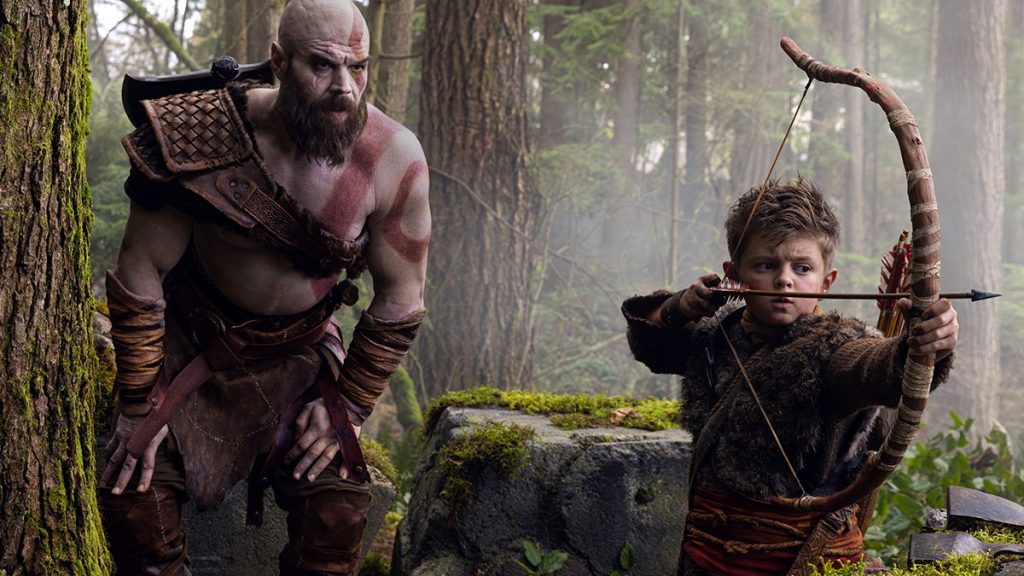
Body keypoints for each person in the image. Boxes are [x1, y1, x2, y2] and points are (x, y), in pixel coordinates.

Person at [98, 0, 430, 574]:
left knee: (336, 518)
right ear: (279, 60)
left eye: (358, 67)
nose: (345, 88)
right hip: (189, 348)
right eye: (322, 65)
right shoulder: (198, 135)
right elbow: (141, 271)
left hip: (302, 359)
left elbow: (401, 300)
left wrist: (349, 406)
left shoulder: (393, 158)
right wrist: (137, 404)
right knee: (135, 505)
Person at [621, 178, 958, 575]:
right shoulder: (717, 332)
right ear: (734, 275)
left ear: (826, 282)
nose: (785, 280)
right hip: (706, 556)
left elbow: (873, 367)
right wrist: (680, 306)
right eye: (766, 265)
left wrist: (922, 347)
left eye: (802, 268)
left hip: (803, 562)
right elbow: (652, 345)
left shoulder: (836, 346)